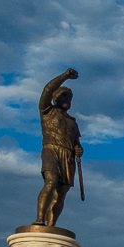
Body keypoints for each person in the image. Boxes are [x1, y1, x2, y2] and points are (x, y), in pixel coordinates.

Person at [33, 68, 83, 228]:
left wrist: (79, 149)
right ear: (55, 98)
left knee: (62, 191)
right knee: (51, 181)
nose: (67, 99)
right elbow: (47, 89)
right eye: (64, 95)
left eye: (69, 97)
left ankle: (52, 224)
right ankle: (40, 218)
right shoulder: (47, 111)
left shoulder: (73, 122)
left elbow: (77, 143)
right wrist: (65, 76)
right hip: (51, 150)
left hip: (67, 156)